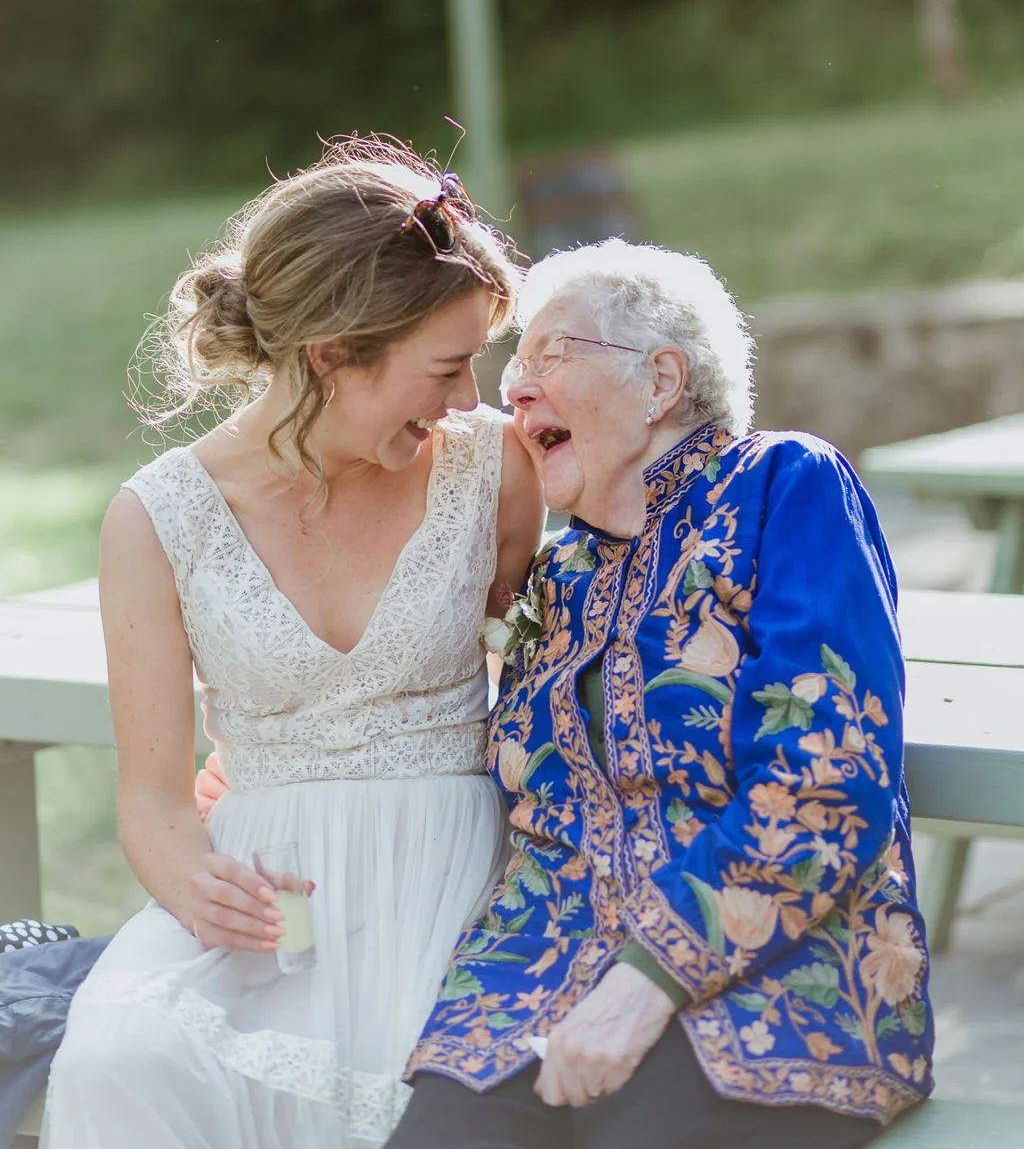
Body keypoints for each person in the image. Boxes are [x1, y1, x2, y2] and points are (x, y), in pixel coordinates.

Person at [42, 139, 544, 1149]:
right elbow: (149, 799)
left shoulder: (495, 469)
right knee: (122, 1059)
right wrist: (195, 884)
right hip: (269, 910)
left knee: (425, 1088)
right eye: (446, 367)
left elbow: (542, 690)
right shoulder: (158, 519)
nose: (467, 399)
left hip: (455, 884)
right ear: (328, 358)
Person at [391, 238, 934, 1149]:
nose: (514, 391)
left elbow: (825, 777)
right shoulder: (557, 572)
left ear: (661, 382)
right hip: (532, 990)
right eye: (513, 368)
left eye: (550, 356)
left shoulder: (783, 485)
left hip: (764, 992)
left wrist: (647, 983)